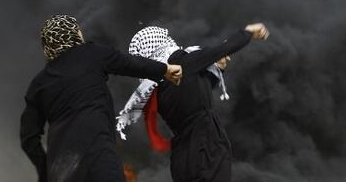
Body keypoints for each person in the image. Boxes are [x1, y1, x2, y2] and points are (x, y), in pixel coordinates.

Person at [20, 15, 183, 182]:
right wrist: (164, 69)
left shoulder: (39, 84)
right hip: (99, 156)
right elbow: (128, 63)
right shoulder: (91, 53)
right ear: (76, 34)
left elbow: (28, 138)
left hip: (62, 169)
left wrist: (44, 170)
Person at [117, 23, 269, 182]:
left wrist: (219, 69)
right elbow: (221, 50)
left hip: (182, 158)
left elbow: (193, 92)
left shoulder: (157, 86)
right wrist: (247, 33)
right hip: (205, 147)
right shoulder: (181, 63)